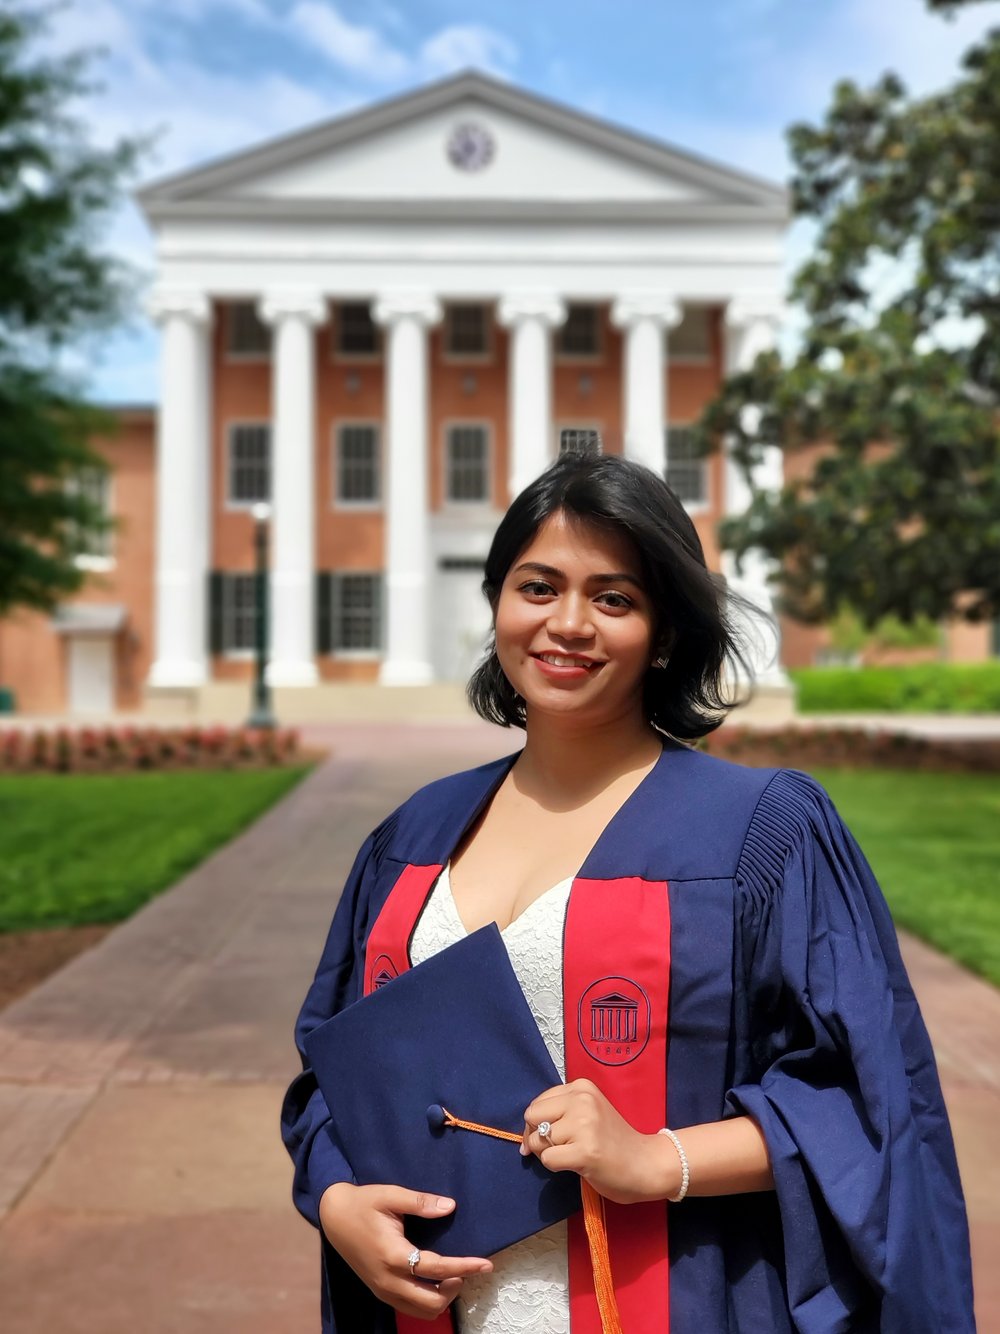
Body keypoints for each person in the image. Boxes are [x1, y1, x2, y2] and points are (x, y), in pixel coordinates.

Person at [281, 452, 975, 1334]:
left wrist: (657, 1159)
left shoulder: (757, 834)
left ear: (667, 632)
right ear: (498, 600)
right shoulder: (414, 837)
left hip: (675, 1297)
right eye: (538, 586)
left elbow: (865, 1098)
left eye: (614, 598)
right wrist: (338, 1198)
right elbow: (338, 1074)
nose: (568, 623)